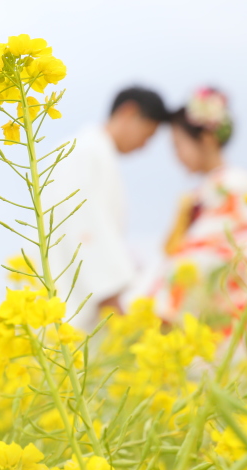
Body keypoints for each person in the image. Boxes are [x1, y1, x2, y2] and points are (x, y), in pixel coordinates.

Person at [46, 86, 169, 331]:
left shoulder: (95, 152)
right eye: (147, 135)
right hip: (65, 303)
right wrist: (112, 298)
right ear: (129, 112)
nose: (144, 146)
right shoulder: (85, 151)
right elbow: (83, 226)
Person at [147, 87, 247, 331]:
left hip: (225, 312)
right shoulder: (205, 191)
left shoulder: (232, 185)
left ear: (207, 140)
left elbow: (204, 254)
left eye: (178, 144)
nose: (176, 155)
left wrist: (159, 304)